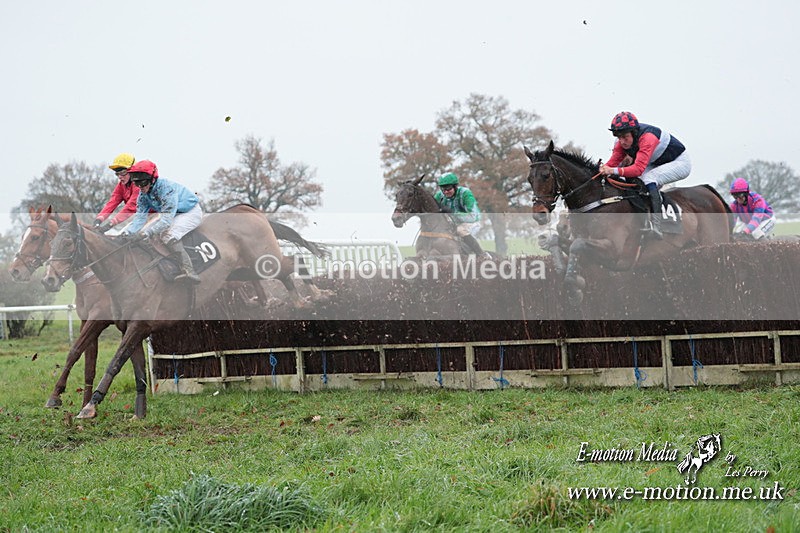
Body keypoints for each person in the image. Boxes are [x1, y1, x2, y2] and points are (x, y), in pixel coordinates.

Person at [598, 111, 691, 239]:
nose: (622, 141)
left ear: (634, 132)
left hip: (678, 162)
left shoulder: (648, 138)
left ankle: (657, 226)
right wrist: (600, 171)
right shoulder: (620, 142)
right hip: (655, 162)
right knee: (631, 180)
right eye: (619, 137)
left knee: (649, 178)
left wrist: (612, 171)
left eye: (625, 137)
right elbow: (612, 164)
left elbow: (638, 169)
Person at [121, 160, 203, 283]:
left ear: (152, 179)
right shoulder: (143, 196)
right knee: (145, 234)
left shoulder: (166, 189)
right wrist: (127, 234)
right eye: (137, 183)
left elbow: (165, 221)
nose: (140, 187)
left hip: (190, 212)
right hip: (173, 214)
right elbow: (139, 218)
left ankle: (189, 270)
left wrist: (145, 233)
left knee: (167, 235)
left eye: (143, 183)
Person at [433, 172, 488, 257]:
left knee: (460, 230)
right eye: (443, 189)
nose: (446, 192)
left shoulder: (465, 193)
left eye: (449, 189)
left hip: (473, 222)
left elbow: (473, 216)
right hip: (453, 224)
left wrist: (452, 213)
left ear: (455, 186)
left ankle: (482, 254)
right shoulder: (439, 196)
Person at [94, 153, 139, 233]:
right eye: (117, 174)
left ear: (132, 171)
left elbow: (131, 206)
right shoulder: (121, 186)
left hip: (156, 215)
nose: (120, 177)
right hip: (140, 217)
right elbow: (112, 203)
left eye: (123, 173)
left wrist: (111, 223)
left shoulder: (139, 184)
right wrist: (99, 219)